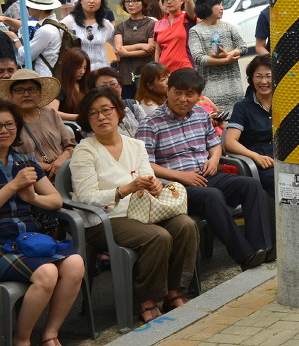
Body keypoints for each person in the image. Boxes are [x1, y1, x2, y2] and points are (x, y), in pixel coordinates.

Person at [71, 88, 199, 324]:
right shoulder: (84, 151)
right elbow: (87, 197)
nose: (101, 117)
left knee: (185, 224)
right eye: (93, 114)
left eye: (106, 110)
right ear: (87, 120)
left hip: (142, 211)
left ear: (118, 113)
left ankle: (174, 292)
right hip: (105, 220)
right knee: (158, 237)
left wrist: (155, 187)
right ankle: (147, 300)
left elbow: (148, 177)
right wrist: (125, 189)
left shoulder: (135, 145)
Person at [136, 69, 273, 271]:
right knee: (212, 196)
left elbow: (214, 144)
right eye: (177, 92)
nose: (182, 99)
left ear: (198, 96)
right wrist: (181, 176)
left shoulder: (201, 114)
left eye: (189, 94)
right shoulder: (150, 123)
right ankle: (245, 255)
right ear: (168, 91)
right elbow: (146, 165)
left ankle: (263, 248)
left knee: (251, 185)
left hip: (208, 175)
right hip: (175, 187)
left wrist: (214, 158)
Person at [0, 98, 84, 346]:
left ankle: (50, 334)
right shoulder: (20, 171)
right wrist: (13, 186)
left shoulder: (24, 161)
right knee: (47, 272)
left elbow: (56, 201)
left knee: (75, 264)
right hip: (2, 246)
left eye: (9, 125)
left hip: (26, 242)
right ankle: (22, 339)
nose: (4, 131)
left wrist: (33, 197)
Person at [3, 69, 76, 179]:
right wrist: (49, 168)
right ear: (11, 94)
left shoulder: (51, 114)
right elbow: (11, 157)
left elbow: (71, 145)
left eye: (32, 89)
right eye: (19, 90)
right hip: (33, 180)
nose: (26, 94)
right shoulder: (8, 123)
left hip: (66, 173)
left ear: (40, 92)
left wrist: (62, 160)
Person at [187, 0, 246, 114]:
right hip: (210, 90)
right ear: (207, 7)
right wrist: (226, 60)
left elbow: (243, 47)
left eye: (222, 4)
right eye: (218, 5)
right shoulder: (196, 31)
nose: (222, 8)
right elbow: (199, 58)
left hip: (234, 87)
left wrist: (229, 54)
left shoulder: (228, 27)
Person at [224, 55, 275, 194]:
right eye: (258, 76)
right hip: (260, 161)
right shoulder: (243, 107)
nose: (263, 81)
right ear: (251, 79)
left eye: (269, 76)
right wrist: (255, 156)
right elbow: (229, 142)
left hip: (282, 157)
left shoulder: (284, 101)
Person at [11, 0, 64, 77]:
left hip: (43, 77)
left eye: (29, 7)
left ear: (36, 8)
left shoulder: (45, 30)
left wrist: (15, 39)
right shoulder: (54, 25)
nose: (28, 10)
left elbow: (25, 56)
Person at [113, 0, 156, 100]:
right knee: (130, 107)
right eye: (127, 1)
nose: (130, 4)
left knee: (148, 106)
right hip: (126, 74)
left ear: (143, 2)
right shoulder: (120, 27)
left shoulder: (151, 24)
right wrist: (141, 46)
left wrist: (126, 52)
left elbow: (151, 49)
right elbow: (118, 49)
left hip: (147, 74)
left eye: (135, 1)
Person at [60, 0, 115, 69]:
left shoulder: (106, 25)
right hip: (78, 72)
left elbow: (117, 46)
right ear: (81, 0)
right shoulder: (69, 21)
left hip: (101, 72)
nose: (91, 1)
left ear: (101, 2)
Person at [87, 68, 148, 137]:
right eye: (103, 86)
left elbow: (148, 128)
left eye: (113, 84)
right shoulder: (93, 114)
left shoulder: (132, 105)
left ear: (120, 86)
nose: (109, 89)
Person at [151, 0, 197, 73]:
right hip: (165, 71)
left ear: (181, 1)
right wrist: (156, 71)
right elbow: (158, 51)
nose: (169, 2)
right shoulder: (158, 24)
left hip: (186, 69)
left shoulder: (188, 18)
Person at [52, 47, 90, 122]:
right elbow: (53, 112)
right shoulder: (58, 86)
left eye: (85, 68)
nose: (82, 71)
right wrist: (78, 117)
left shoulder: (86, 84)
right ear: (69, 66)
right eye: (79, 67)